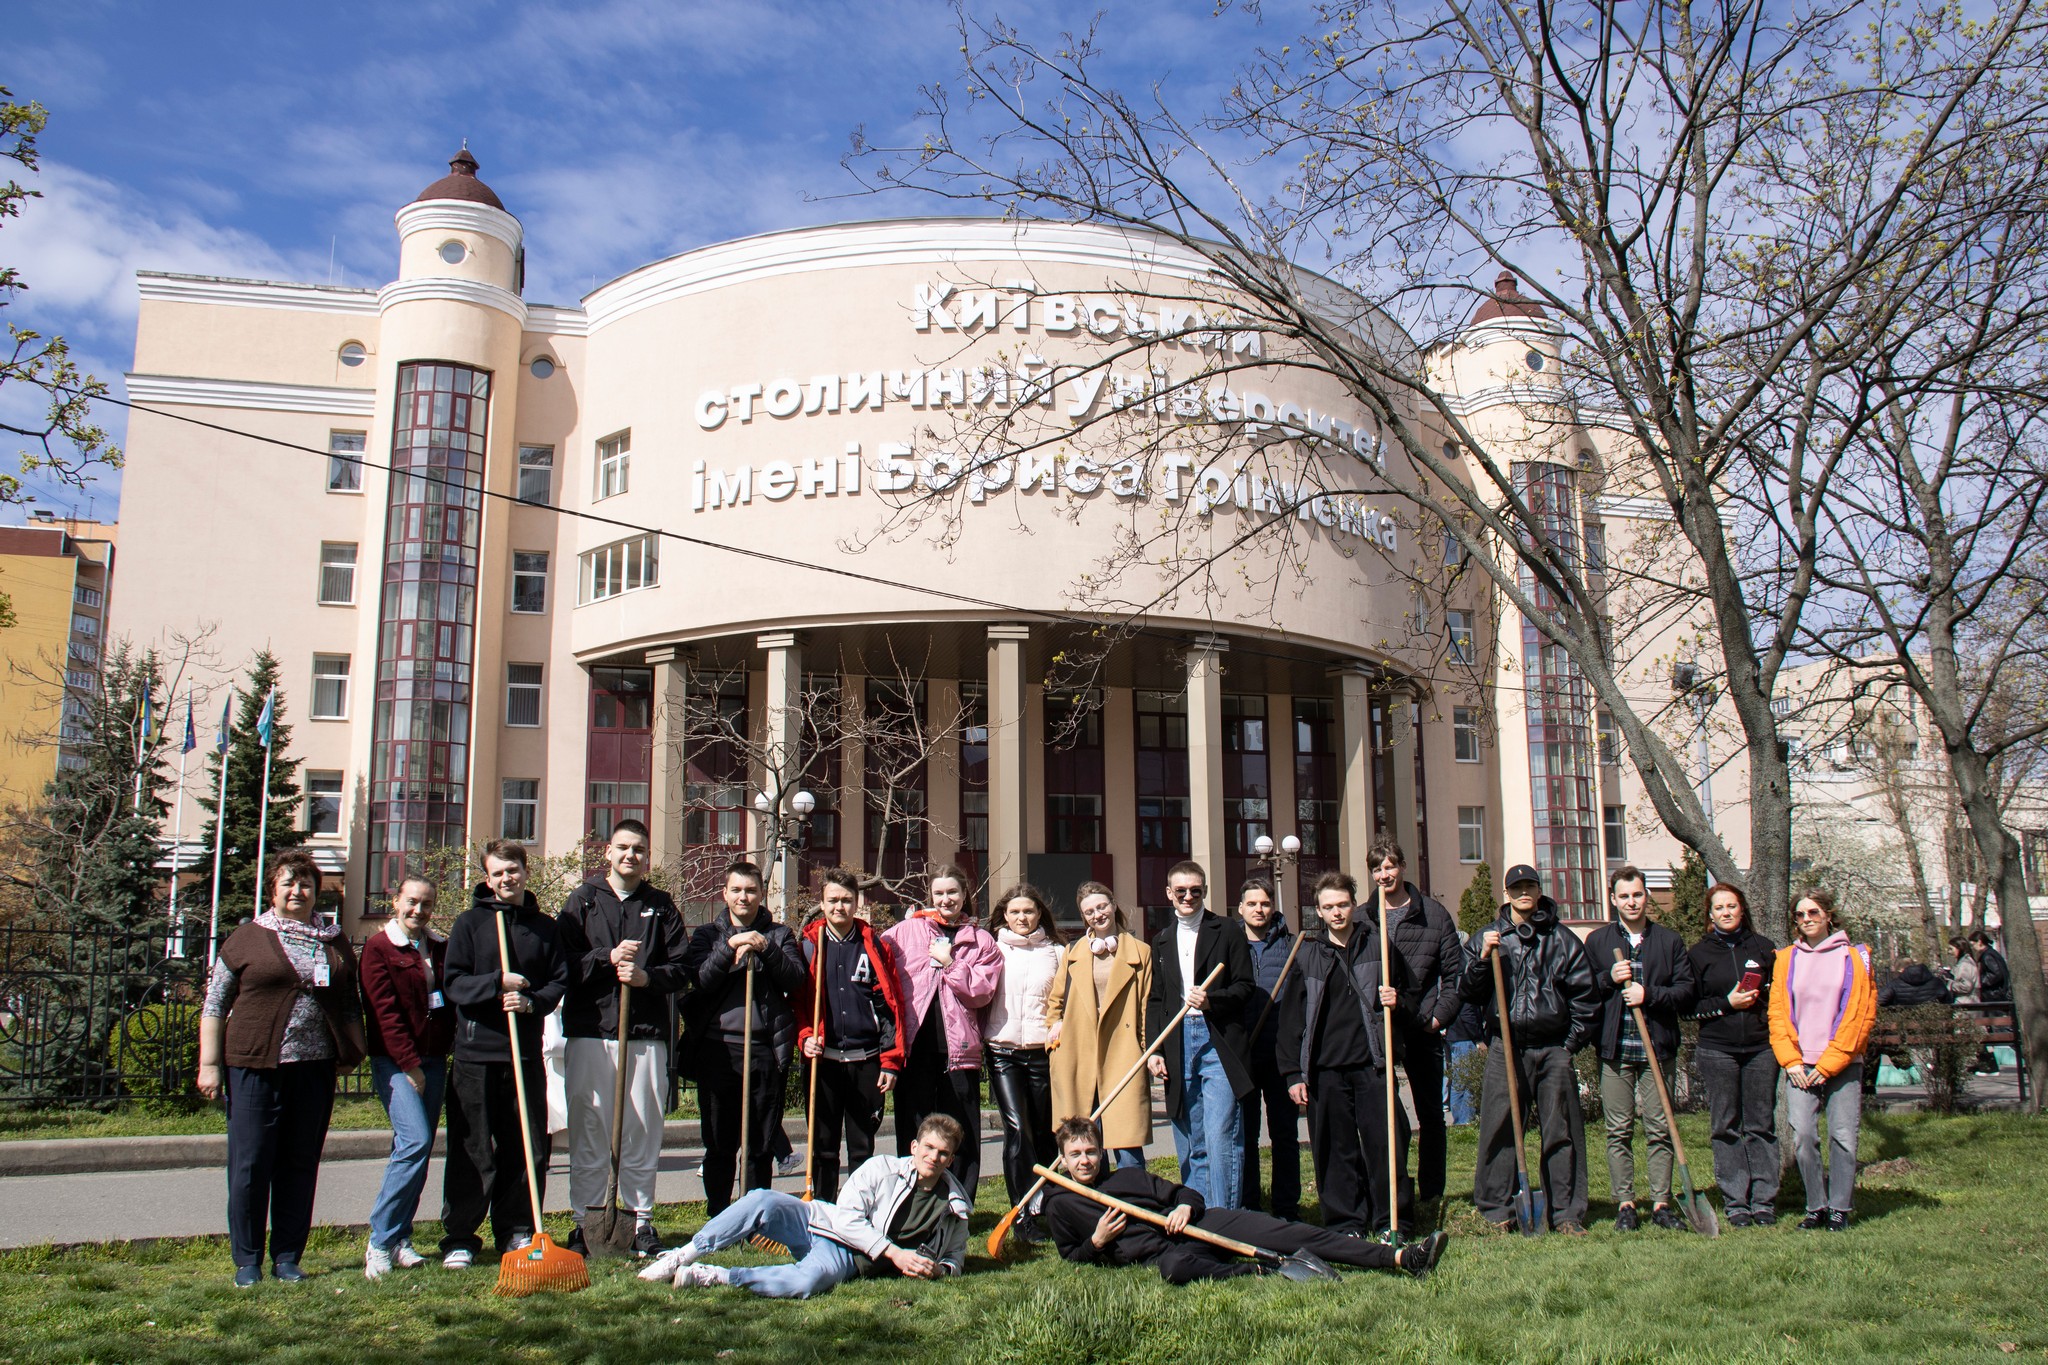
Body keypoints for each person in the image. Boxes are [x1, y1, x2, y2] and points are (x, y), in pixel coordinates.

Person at [197, 852, 367, 1287]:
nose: (298, 891)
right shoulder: (247, 938)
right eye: (289, 883)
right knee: (251, 1164)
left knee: (299, 1162)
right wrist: (209, 1064)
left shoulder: (333, 940)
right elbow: (215, 1002)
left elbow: (348, 1002)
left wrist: (353, 1051)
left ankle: (288, 1256)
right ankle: (248, 1260)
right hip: (254, 1066)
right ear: (273, 889)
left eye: (307, 884)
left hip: (313, 1069)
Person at [1041, 1117, 1447, 1282]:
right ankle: (1264, 1270)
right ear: (1063, 1159)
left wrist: (1184, 1207)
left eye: (1090, 1151)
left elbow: (1186, 1192)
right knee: (1174, 1267)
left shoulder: (1128, 1176)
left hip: (1196, 1227)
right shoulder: (1062, 1203)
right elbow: (1071, 1256)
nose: (1085, 1161)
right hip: (1164, 1253)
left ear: (1101, 1150)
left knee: (1287, 1231)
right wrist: (1096, 1241)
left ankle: (1400, 1258)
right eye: (1075, 1155)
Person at [639, 1114, 971, 1297]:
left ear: (951, 1159)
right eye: (928, 1147)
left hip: (846, 1258)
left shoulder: (955, 1207)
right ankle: (681, 1256)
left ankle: (714, 1276)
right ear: (914, 1146)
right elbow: (846, 1219)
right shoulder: (882, 1168)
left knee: (805, 1283)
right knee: (760, 1199)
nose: (933, 1157)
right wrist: (895, 1253)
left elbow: (955, 1258)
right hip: (824, 1223)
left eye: (943, 1153)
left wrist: (940, 1270)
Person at [556, 818, 692, 1258]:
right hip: (592, 1032)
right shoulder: (582, 902)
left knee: (642, 1127)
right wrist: (606, 959)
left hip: (646, 1035)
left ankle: (640, 1221)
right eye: (622, 847)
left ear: (645, 856)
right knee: (589, 1128)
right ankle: (587, 1221)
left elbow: (682, 968)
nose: (630, 855)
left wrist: (646, 977)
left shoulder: (661, 906)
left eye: (638, 849)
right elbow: (562, 966)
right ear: (608, 853)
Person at [438, 840, 570, 1267]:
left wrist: (530, 1002)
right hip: (477, 1055)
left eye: (512, 870)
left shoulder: (545, 928)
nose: (506, 879)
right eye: (497, 873)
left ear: (525, 871)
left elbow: (557, 982)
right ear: (487, 878)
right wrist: (497, 983)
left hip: (524, 1055)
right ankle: (461, 1235)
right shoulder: (470, 924)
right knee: (473, 1147)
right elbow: (454, 984)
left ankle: (516, 1228)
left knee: (526, 1144)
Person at [1458, 864, 1598, 1234]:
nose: (1523, 892)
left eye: (1530, 886)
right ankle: (1496, 1211)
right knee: (1498, 1128)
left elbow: (1586, 998)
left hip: (1553, 1049)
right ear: (1506, 894)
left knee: (1560, 1131)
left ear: (1539, 891)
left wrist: (1569, 1045)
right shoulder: (1489, 937)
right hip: (1507, 1045)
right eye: (1516, 887)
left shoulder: (1563, 940)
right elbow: (1465, 992)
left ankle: (1565, 1213)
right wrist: (1480, 961)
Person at [1278, 870, 1411, 1236]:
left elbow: (1411, 996)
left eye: (1342, 905)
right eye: (1328, 907)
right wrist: (1292, 1074)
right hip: (1325, 1072)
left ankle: (1390, 1221)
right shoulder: (1307, 955)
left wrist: (1397, 1001)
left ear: (1354, 905)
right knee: (1335, 1153)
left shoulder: (1379, 945)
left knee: (1385, 1147)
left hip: (1373, 1066)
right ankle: (1345, 1223)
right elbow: (1290, 1021)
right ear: (1317, 911)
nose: (1336, 912)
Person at [683, 860, 807, 1215]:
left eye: (750, 890)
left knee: (760, 1144)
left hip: (765, 1051)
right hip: (718, 1051)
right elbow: (702, 979)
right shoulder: (708, 935)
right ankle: (720, 1215)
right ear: (725, 894)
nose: (743, 897)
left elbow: (795, 979)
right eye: (736, 890)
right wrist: (732, 946)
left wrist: (764, 948)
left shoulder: (780, 935)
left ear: (761, 895)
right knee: (720, 1143)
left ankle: (753, 1217)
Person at [1585, 864, 1699, 1232]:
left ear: (1646, 896)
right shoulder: (1600, 942)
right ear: (1613, 900)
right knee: (1618, 1130)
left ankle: (1662, 1202)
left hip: (1658, 1049)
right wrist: (1608, 979)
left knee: (1659, 1128)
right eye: (1624, 896)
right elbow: (1584, 990)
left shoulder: (1668, 941)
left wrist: (1649, 995)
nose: (1632, 902)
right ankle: (1626, 1203)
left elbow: (1686, 992)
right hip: (1616, 1050)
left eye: (1637, 894)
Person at [883, 864, 1002, 1198]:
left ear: (965, 895)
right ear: (930, 896)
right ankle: (911, 1197)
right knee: (914, 1125)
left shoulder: (981, 941)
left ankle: (960, 1201)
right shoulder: (905, 932)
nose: (947, 899)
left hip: (959, 1051)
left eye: (953, 892)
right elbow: (878, 966)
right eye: (940, 893)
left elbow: (982, 992)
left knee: (961, 1129)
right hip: (915, 1048)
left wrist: (951, 964)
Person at [357, 874, 454, 1279]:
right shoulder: (378, 948)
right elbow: (384, 1013)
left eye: (426, 904)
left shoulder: (437, 945)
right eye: (412, 901)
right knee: (413, 1143)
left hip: (433, 1059)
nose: (418, 910)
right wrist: (409, 1064)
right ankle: (379, 1240)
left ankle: (401, 1238)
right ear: (395, 900)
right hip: (397, 1063)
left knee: (418, 1150)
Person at [1146, 859, 1256, 1211]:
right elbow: (1157, 1000)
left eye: (1196, 890)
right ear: (1169, 894)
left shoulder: (1227, 930)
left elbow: (1245, 987)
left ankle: (1226, 1216)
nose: (1188, 896)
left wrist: (1212, 1000)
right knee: (1190, 1135)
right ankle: (1198, 1213)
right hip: (1179, 1041)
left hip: (1218, 1040)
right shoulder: (1161, 940)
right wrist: (1156, 1048)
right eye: (1181, 891)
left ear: (1204, 891)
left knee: (1221, 1133)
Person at [1365, 836, 1465, 1211]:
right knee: (1384, 1113)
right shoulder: (1364, 916)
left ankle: (1432, 1194)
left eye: (1389, 866)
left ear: (1402, 867)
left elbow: (1454, 973)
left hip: (1421, 1024)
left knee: (1430, 1113)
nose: (1384, 874)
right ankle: (1391, 1190)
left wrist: (1440, 1015)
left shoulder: (1434, 915)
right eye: (1377, 868)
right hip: (1379, 1029)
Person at [796, 867, 907, 1202]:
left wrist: (891, 1061)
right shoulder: (808, 946)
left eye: (846, 900)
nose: (839, 907)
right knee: (823, 1147)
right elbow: (799, 1005)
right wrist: (804, 1036)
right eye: (832, 900)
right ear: (822, 902)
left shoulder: (875, 946)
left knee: (862, 1148)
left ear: (857, 902)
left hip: (866, 1062)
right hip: (823, 1063)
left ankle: (858, 1213)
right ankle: (824, 1214)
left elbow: (892, 1005)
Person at [1771, 888, 1878, 1231]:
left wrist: (1830, 1064)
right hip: (1800, 1066)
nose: (1807, 920)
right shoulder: (1787, 958)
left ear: (1829, 914)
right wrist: (1792, 1062)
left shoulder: (1854, 957)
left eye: (1813, 912)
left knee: (1843, 1137)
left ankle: (1839, 1209)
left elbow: (1860, 1015)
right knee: (1803, 1135)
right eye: (1800, 915)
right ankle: (1815, 1205)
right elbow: (1778, 1014)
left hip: (1843, 1063)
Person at [1686, 881, 1780, 1227]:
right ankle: (1736, 1202)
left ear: (1742, 909)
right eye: (1719, 908)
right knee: (1725, 1125)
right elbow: (1689, 1007)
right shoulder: (1698, 954)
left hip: (1760, 1048)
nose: (1726, 913)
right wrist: (1726, 1004)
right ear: (1710, 916)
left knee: (1761, 1124)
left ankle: (1764, 1201)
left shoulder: (1764, 948)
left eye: (1732, 906)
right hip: (1718, 1050)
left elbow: (1781, 999)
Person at [1046, 881, 1154, 1170]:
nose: (1097, 914)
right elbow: (1055, 1001)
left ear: (1114, 905)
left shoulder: (1141, 952)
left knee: (1126, 1139)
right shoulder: (1073, 952)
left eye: (1102, 906)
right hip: (1078, 1052)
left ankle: (1136, 1203)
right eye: (1089, 911)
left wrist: (1144, 1049)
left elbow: (1145, 1005)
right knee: (1084, 1139)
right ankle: (1093, 1207)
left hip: (1123, 1051)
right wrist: (1053, 1038)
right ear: (1084, 917)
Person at [983, 883, 1065, 1241]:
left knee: (1046, 1135)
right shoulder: (991, 949)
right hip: (1002, 1051)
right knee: (1017, 1130)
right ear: (1004, 915)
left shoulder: (1058, 953)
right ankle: (1020, 1215)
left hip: (1043, 1052)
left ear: (1039, 915)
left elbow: (1066, 1001)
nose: (1022, 918)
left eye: (1028, 912)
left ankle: (1054, 1207)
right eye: (1014, 912)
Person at [1235, 876, 1301, 1219]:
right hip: (1243, 1055)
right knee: (1244, 1135)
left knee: (1285, 1135)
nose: (1258, 909)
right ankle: (1248, 1205)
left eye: (1264, 903)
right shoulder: (1230, 945)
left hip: (1280, 1055)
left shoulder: (1292, 946)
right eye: (1252, 904)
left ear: (1272, 906)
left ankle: (1287, 1207)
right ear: (1241, 908)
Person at [1879, 958, 1953, 1008]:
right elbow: (1948, 1001)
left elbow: (1879, 1001)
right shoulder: (1936, 982)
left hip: (1902, 1026)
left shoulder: (1894, 985)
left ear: (1901, 970)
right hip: (1934, 1025)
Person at [1971, 931, 2011, 1002]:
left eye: (1973, 944)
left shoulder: (1988, 956)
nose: (1973, 947)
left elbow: (1996, 974)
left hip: (1993, 995)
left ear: (1979, 942)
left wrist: (1980, 981)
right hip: (1996, 994)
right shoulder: (1990, 953)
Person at [1945, 937, 1981, 1005]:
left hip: (1966, 1003)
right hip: (1967, 1002)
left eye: (1951, 949)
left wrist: (1949, 984)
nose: (1949, 952)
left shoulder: (1965, 964)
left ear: (1959, 948)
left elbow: (1966, 986)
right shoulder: (1965, 962)